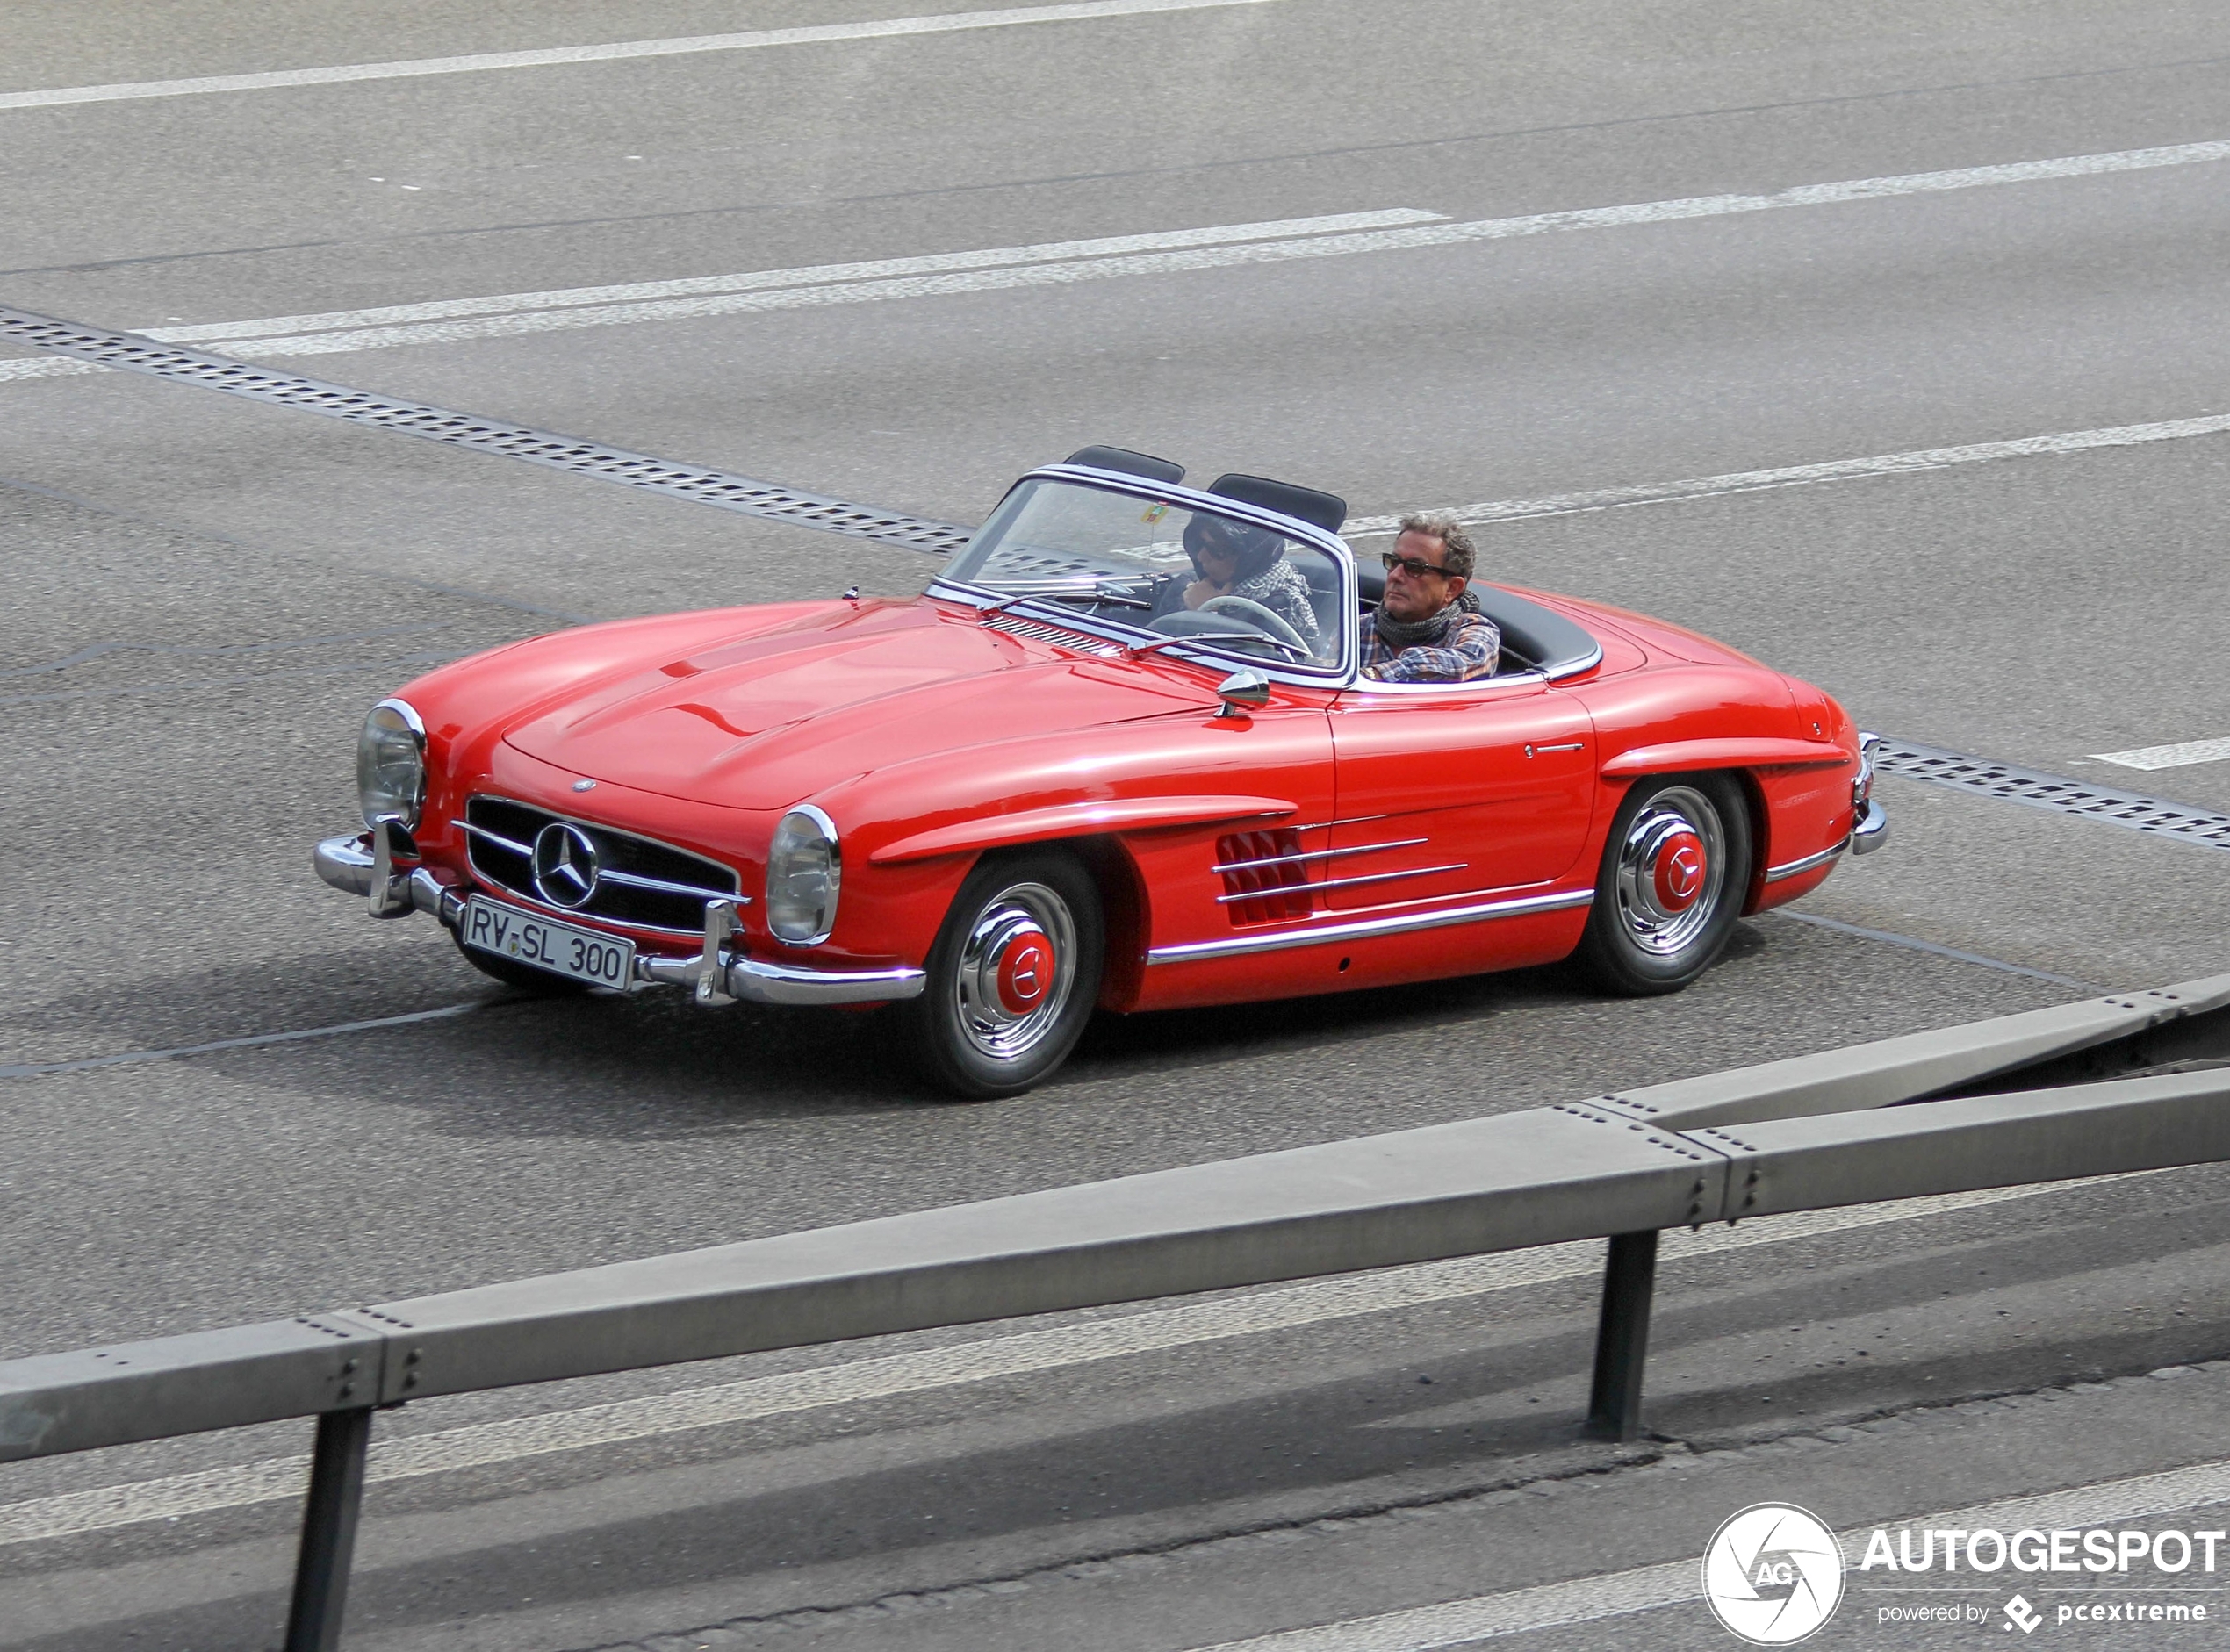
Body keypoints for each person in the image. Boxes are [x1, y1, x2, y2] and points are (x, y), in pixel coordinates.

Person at [1359, 513, 1499, 683]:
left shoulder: (1474, 630)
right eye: (1394, 562)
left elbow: (1465, 662)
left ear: (1452, 588)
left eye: (1415, 568)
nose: (1395, 576)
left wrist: (1371, 677)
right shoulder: (1357, 629)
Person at [1180, 515, 1320, 644]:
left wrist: (1208, 614)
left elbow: (1245, 665)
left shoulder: (1279, 609)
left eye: (1218, 549)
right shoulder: (1187, 585)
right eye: (1199, 544)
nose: (1201, 557)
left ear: (1250, 557)